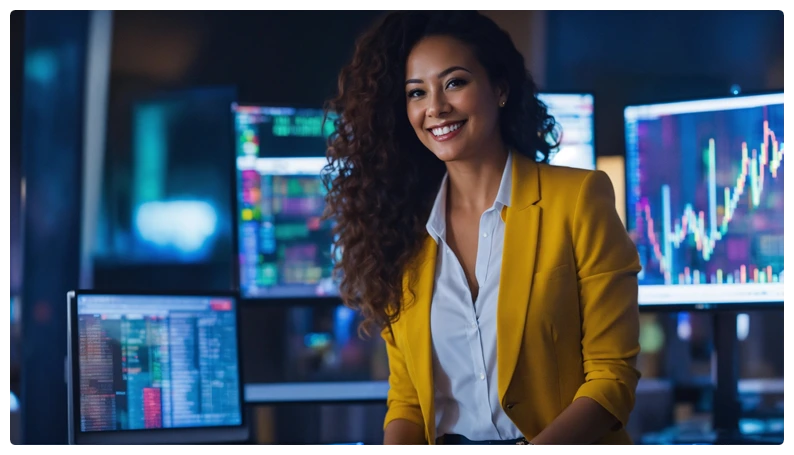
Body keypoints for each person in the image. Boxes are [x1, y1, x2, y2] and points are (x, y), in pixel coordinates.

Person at [321, 9, 642, 447]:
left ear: (500, 88)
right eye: (417, 92)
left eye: (454, 82)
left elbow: (611, 378)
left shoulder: (579, 198)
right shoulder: (401, 233)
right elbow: (409, 401)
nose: (435, 107)